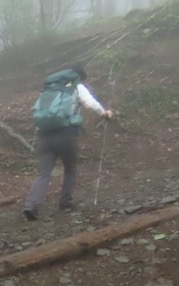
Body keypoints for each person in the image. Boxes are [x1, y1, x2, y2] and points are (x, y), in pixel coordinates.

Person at [23, 64, 113, 221]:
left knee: (43, 173)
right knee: (70, 170)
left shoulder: (50, 88)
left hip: (44, 136)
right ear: (78, 76)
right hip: (66, 135)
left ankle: (31, 204)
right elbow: (90, 103)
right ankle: (65, 203)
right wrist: (104, 113)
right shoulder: (76, 86)